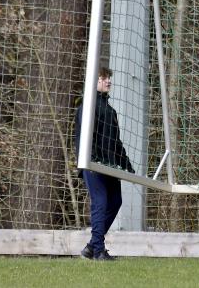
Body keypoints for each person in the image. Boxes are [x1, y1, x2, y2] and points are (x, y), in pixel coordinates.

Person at [74, 66, 134, 261]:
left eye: (108, 78)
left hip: (110, 166)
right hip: (93, 165)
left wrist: (127, 166)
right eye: (103, 78)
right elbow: (86, 139)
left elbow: (116, 143)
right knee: (100, 203)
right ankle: (98, 251)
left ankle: (92, 247)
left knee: (115, 202)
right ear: (93, 81)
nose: (108, 81)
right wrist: (90, 161)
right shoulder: (87, 107)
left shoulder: (110, 111)